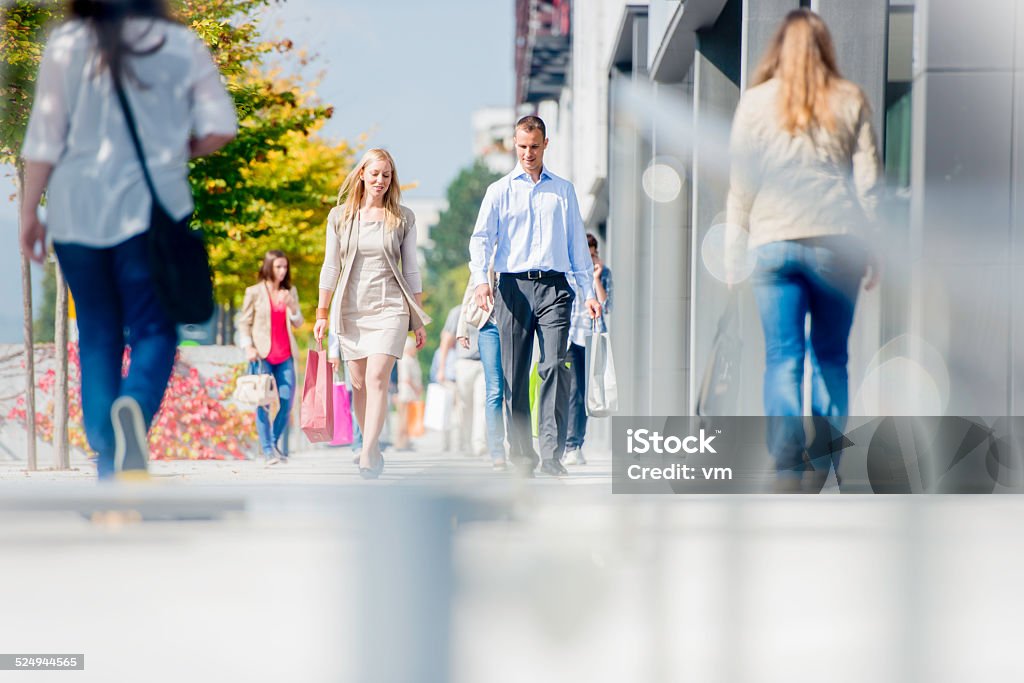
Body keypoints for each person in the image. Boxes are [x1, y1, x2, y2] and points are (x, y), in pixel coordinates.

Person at [19, 0, 236, 481]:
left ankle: (108, 470)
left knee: (97, 334)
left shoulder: (68, 43)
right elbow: (222, 125)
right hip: (150, 213)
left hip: (76, 213)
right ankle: (134, 405)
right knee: (154, 330)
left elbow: (44, 137)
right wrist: (181, 149)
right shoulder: (179, 44)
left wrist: (28, 212)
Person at [724, 9, 882, 491]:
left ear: (778, 49)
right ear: (824, 48)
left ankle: (789, 462)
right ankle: (832, 463)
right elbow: (869, 183)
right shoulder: (850, 98)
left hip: (772, 242)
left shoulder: (754, 103)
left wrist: (734, 246)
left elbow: (740, 184)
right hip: (838, 240)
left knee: (783, 356)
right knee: (832, 356)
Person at [468, 116, 600, 478]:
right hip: (512, 289)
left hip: (556, 288)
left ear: (545, 145)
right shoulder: (499, 190)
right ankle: (523, 456)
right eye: (523, 146)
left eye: (535, 146)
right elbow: (481, 239)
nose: (528, 153)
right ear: (515, 144)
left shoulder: (563, 191)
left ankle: (552, 454)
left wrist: (588, 292)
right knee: (514, 375)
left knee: (555, 364)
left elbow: (576, 243)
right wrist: (481, 280)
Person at [313, 148, 429, 480]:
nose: (380, 180)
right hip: (351, 309)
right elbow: (330, 266)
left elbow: (412, 271)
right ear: (362, 173)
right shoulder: (339, 217)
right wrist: (322, 313)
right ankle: (371, 443)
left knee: (378, 378)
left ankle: (367, 451)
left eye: (387, 175)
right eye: (375, 173)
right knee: (359, 383)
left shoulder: (403, 218)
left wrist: (417, 318)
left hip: (391, 307)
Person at [236, 250, 304, 466]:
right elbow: (244, 322)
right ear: (268, 267)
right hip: (262, 355)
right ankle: (268, 451)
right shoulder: (254, 292)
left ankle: (272, 444)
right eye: (278, 267)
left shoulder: (290, 291)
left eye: (285, 267)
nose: (283, 271)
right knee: (263, 403)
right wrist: (248, 346)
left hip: (285, 355)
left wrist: (292, 306)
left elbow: (299, 322)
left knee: (286, 402)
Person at [562, 233, 613, 466]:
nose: (591, 259)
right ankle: (569, 444)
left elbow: (606, 306)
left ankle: (575, 445)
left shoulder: (604, 274)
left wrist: (597, 279)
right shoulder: (569, 273)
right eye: (588, 255)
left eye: (594, 255)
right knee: (572, 391)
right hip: (571, 338)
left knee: (586, 394)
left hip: (592, 338)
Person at [456, 270, 507, 470]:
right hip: (491, 325)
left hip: (518, 325)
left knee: (514, 389)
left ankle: (519, 446)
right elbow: (471, 291)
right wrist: (463, 328)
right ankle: (497, 452)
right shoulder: (486, 258)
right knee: (494, 390)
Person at [438, 303, 485, 458]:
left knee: (482, 403)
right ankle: (466, 441)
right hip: (464, 362)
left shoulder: (489, 309)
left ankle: (479, 443)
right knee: (464, 405)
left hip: (484, 364)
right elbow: (446, 340)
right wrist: (442, 368)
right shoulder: (457, 311)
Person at [394, 336, 423, 451]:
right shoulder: (405, 359)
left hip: (410, 393)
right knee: (403, 418)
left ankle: (406, 441)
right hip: (405, 393)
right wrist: (416, 388)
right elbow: (406, 378)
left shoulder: (412, 359)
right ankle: (400, 442)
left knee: (407, 418)